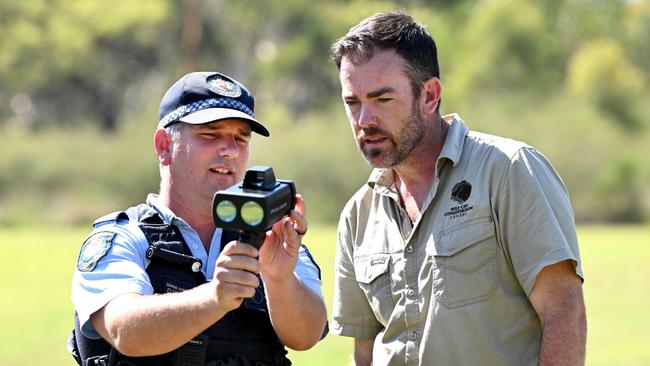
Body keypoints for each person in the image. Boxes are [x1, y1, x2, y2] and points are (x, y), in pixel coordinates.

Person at [329, 12, 586, 366]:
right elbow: (364, 353)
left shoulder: (509, 171)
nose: (364, 121)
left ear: (430, 95)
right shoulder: (357, 215)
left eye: (382, 100)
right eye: (352, 102)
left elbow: (564, 314)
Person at [68, 71, 328, 366]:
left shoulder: (273, 236)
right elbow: (124, 331)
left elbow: (306, 336)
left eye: (240, 138)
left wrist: (279, 279)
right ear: (164, 146)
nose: (229, 150)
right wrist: (215, 297)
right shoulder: (123, 239)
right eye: (210, 134)